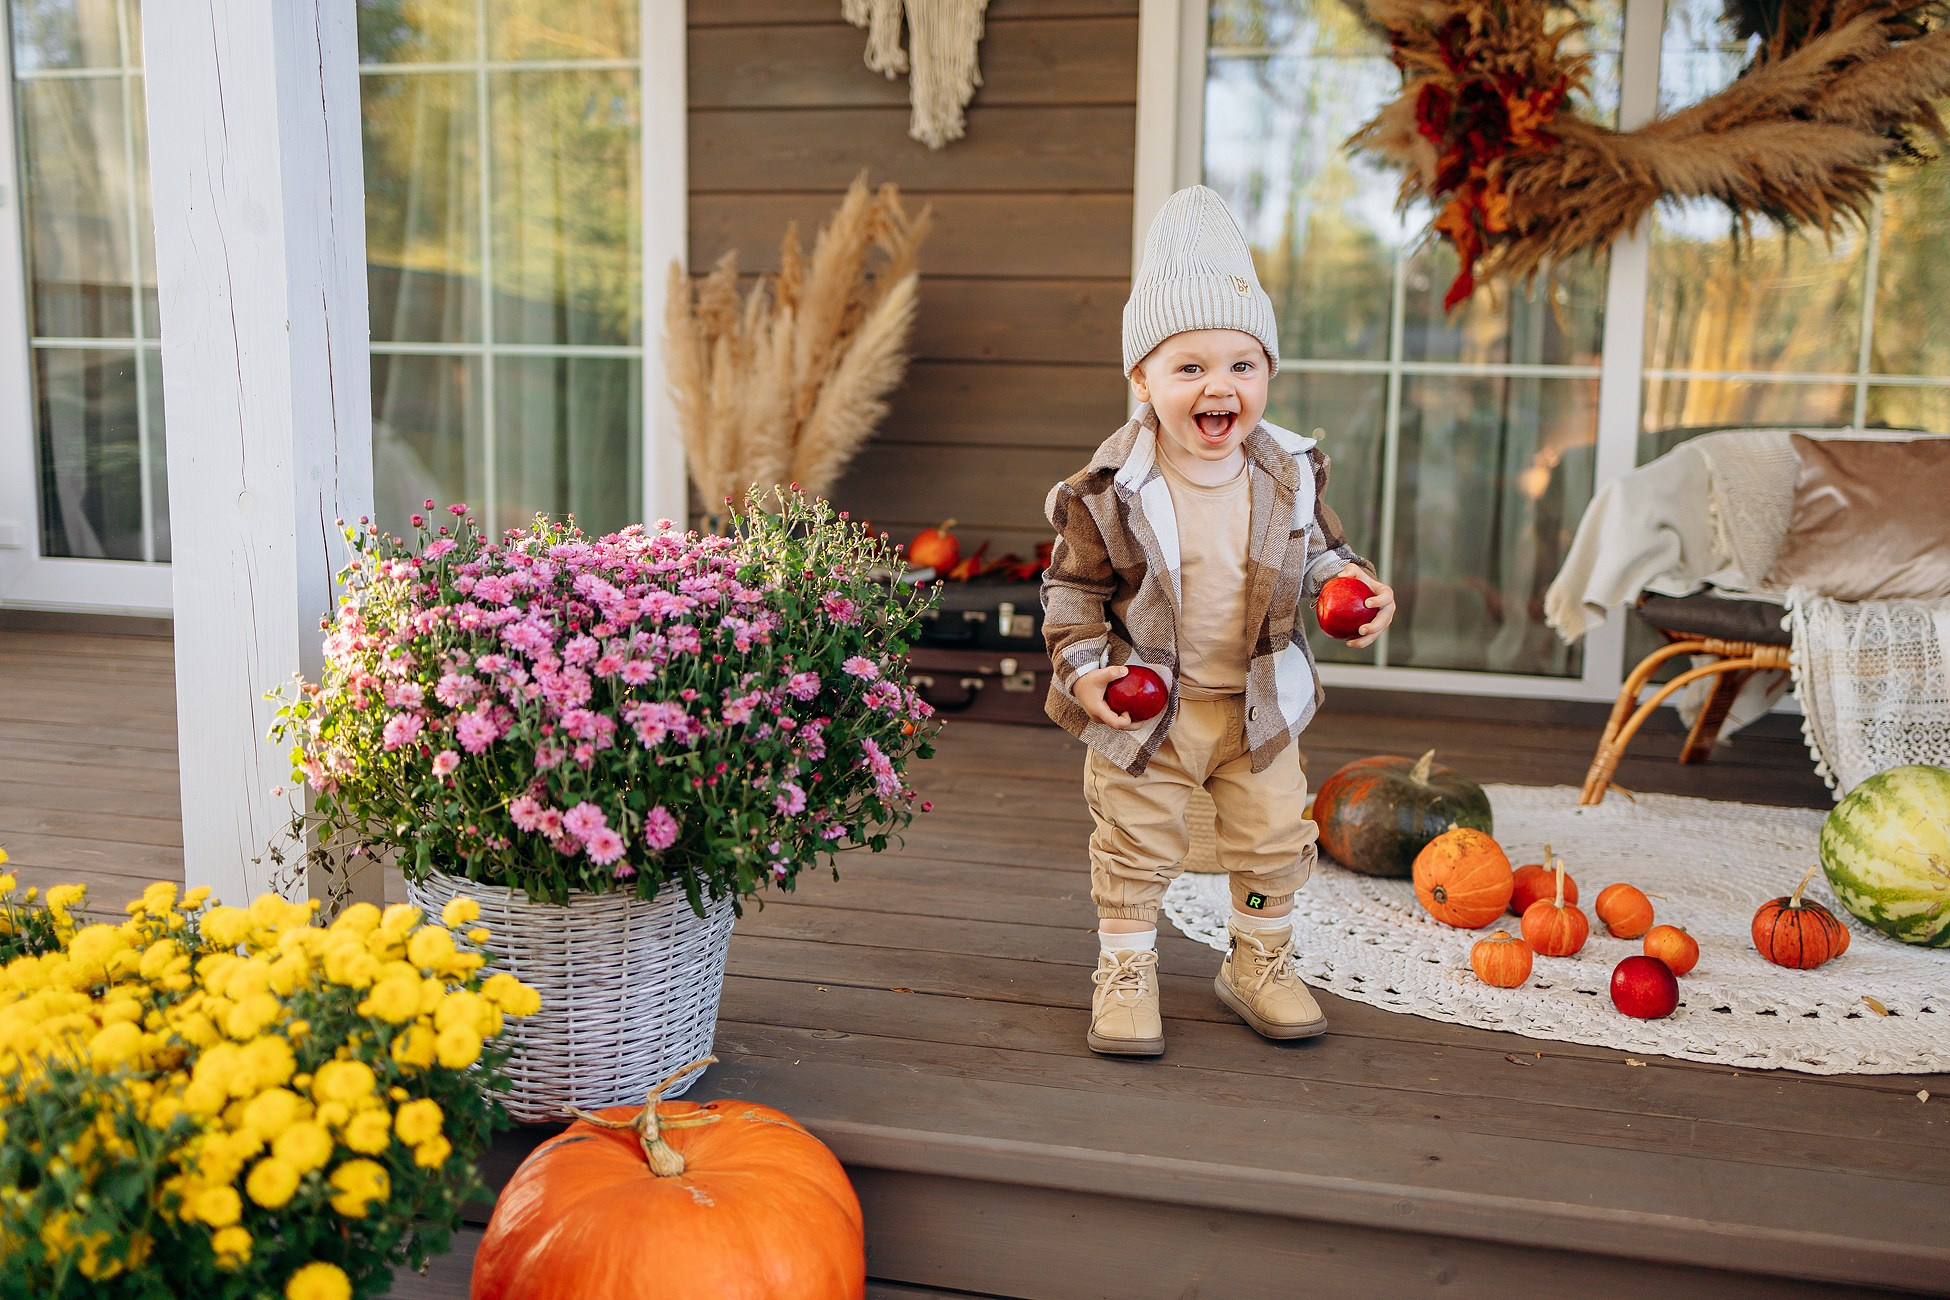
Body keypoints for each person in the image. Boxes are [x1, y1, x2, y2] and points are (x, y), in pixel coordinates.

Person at [1040, 184, 1396, 1057]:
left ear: (1268, 373)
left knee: (1274, 835)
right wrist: (1088, 671)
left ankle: (1258, 962)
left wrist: (1349, 588)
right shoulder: (1112, 490)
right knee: (1136, 842)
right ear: (1143, 380)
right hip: (1151, 708)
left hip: (1257, 702)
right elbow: (1073, 594)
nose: (1219, 387)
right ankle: (1125, 973)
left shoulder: (1289, 475)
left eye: (1242, 365)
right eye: (1188, 367)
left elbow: (1318, 555)